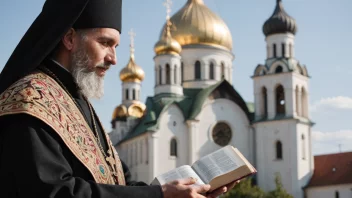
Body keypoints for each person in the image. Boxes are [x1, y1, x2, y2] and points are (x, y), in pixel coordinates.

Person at [0, 0, 238, 197]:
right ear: (70, 38)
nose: (114, 59)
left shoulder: (77, 101)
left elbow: (120, 183)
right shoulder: (30, 99)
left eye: (116, 46)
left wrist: (187, 191)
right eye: (105, 43)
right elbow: (53, 192)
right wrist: (159, 195)